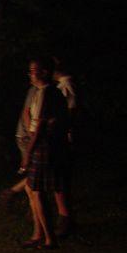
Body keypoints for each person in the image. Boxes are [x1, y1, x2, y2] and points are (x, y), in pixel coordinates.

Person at [20, 57, 70, 250]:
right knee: (31, 189)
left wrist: (28, 152)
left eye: (33, 71)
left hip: (43, 146)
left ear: (44, 72)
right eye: (30, 71)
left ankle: (49, 239)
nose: (30, 74)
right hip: (47, 144)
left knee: (37, 191)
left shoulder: (46, 93)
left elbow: (39, 126)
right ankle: (39, 234)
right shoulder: (46, 92)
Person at [52, 58, 76, 236]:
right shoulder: (61, 86)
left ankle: (65, 219)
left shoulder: (65, 86)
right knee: (56, 176)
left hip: (62, 137)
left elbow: (70, 111)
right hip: (60, 135)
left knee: (59, 177)